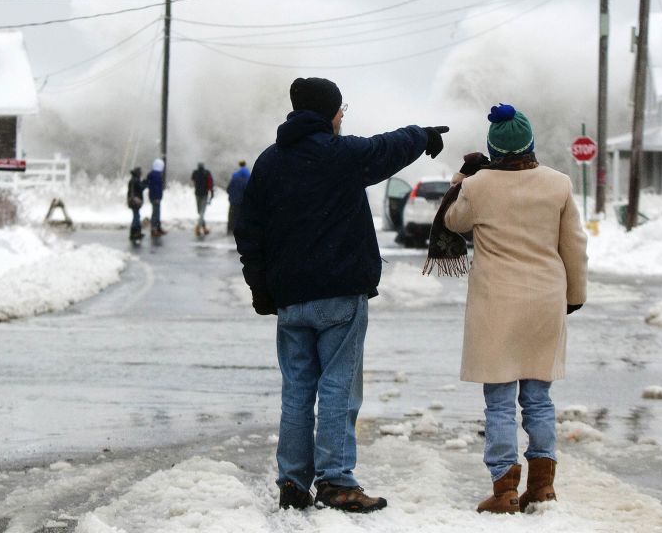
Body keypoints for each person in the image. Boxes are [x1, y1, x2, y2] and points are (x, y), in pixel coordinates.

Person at [235, 76, 448, 513]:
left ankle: (293, 483)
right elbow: (387, 148)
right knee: (338, 386)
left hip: (290, 299)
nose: (342, 116)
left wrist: (260, 285)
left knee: (296, 389)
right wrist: (423, 135)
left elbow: (248, 229)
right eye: (340, 109)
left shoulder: (269, 162)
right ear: (328, 112)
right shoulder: (341, 155)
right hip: (339, 295)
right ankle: (335, 481)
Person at [432, 103, 587, 514]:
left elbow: (452, 221)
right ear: (530, 143)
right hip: (544, 301)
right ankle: (543, 487)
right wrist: (575, 295)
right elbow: (574, 244)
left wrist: (462, 178)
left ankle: (504, 491)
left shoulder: (480, 186)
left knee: (499, 401)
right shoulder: (558, 184)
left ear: (492, 148)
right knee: (538, 399)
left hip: (496, 304)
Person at [225, 160, 251, 236]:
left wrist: (232, 195)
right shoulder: (248, 177)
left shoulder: (235, 176)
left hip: (233, 200)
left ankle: (230, 228)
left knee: (232, 214)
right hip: (243, 201)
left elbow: (228, 189)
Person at [144, 158, 166, 237]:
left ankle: (157, 228)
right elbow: (156, 187)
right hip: (156, 197)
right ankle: (154, 229)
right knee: (155, 213)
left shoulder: (152, 174)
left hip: (154, 196)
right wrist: (157, 197)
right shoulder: (156, 175)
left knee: (157, 212)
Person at [191, 162, 214, 237]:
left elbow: (192, 179)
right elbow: (210, 183)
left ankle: (204, 228)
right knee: (202, 212)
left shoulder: (195, 173)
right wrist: (212, 193)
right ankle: (198, 227)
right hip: (204, 194)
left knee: (199, 211)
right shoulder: (207, 173)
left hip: (197, 194)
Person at [127, 167, 144, 242]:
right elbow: (140, 188)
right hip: (135, 201)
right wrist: (145, 184)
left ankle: (136, 232)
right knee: (136, 216)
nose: (141, 174)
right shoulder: (136, 180)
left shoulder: (132, 180)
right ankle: (134, 233)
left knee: (136, 215)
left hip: (132, 200)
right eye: (140, 172)